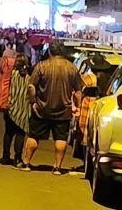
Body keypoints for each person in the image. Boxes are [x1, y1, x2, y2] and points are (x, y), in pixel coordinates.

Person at [19, 41, 83, 175]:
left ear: (49, 52)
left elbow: (31, 86)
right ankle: (57, 167)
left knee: (33, 136)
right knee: (60, 138)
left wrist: (33, 102)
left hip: (42, 108)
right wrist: (77, 106)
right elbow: (78, 91)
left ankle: (26, 163)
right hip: (63, 110)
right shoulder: (71, 68)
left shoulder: (42, 66)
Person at [4, 55, 31, 167]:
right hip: (24, 109)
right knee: (21, 133)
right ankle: (17, 158)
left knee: (8, 133)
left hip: (10, 107)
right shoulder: (30, 77)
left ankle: (5, 156)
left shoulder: (11, 75)